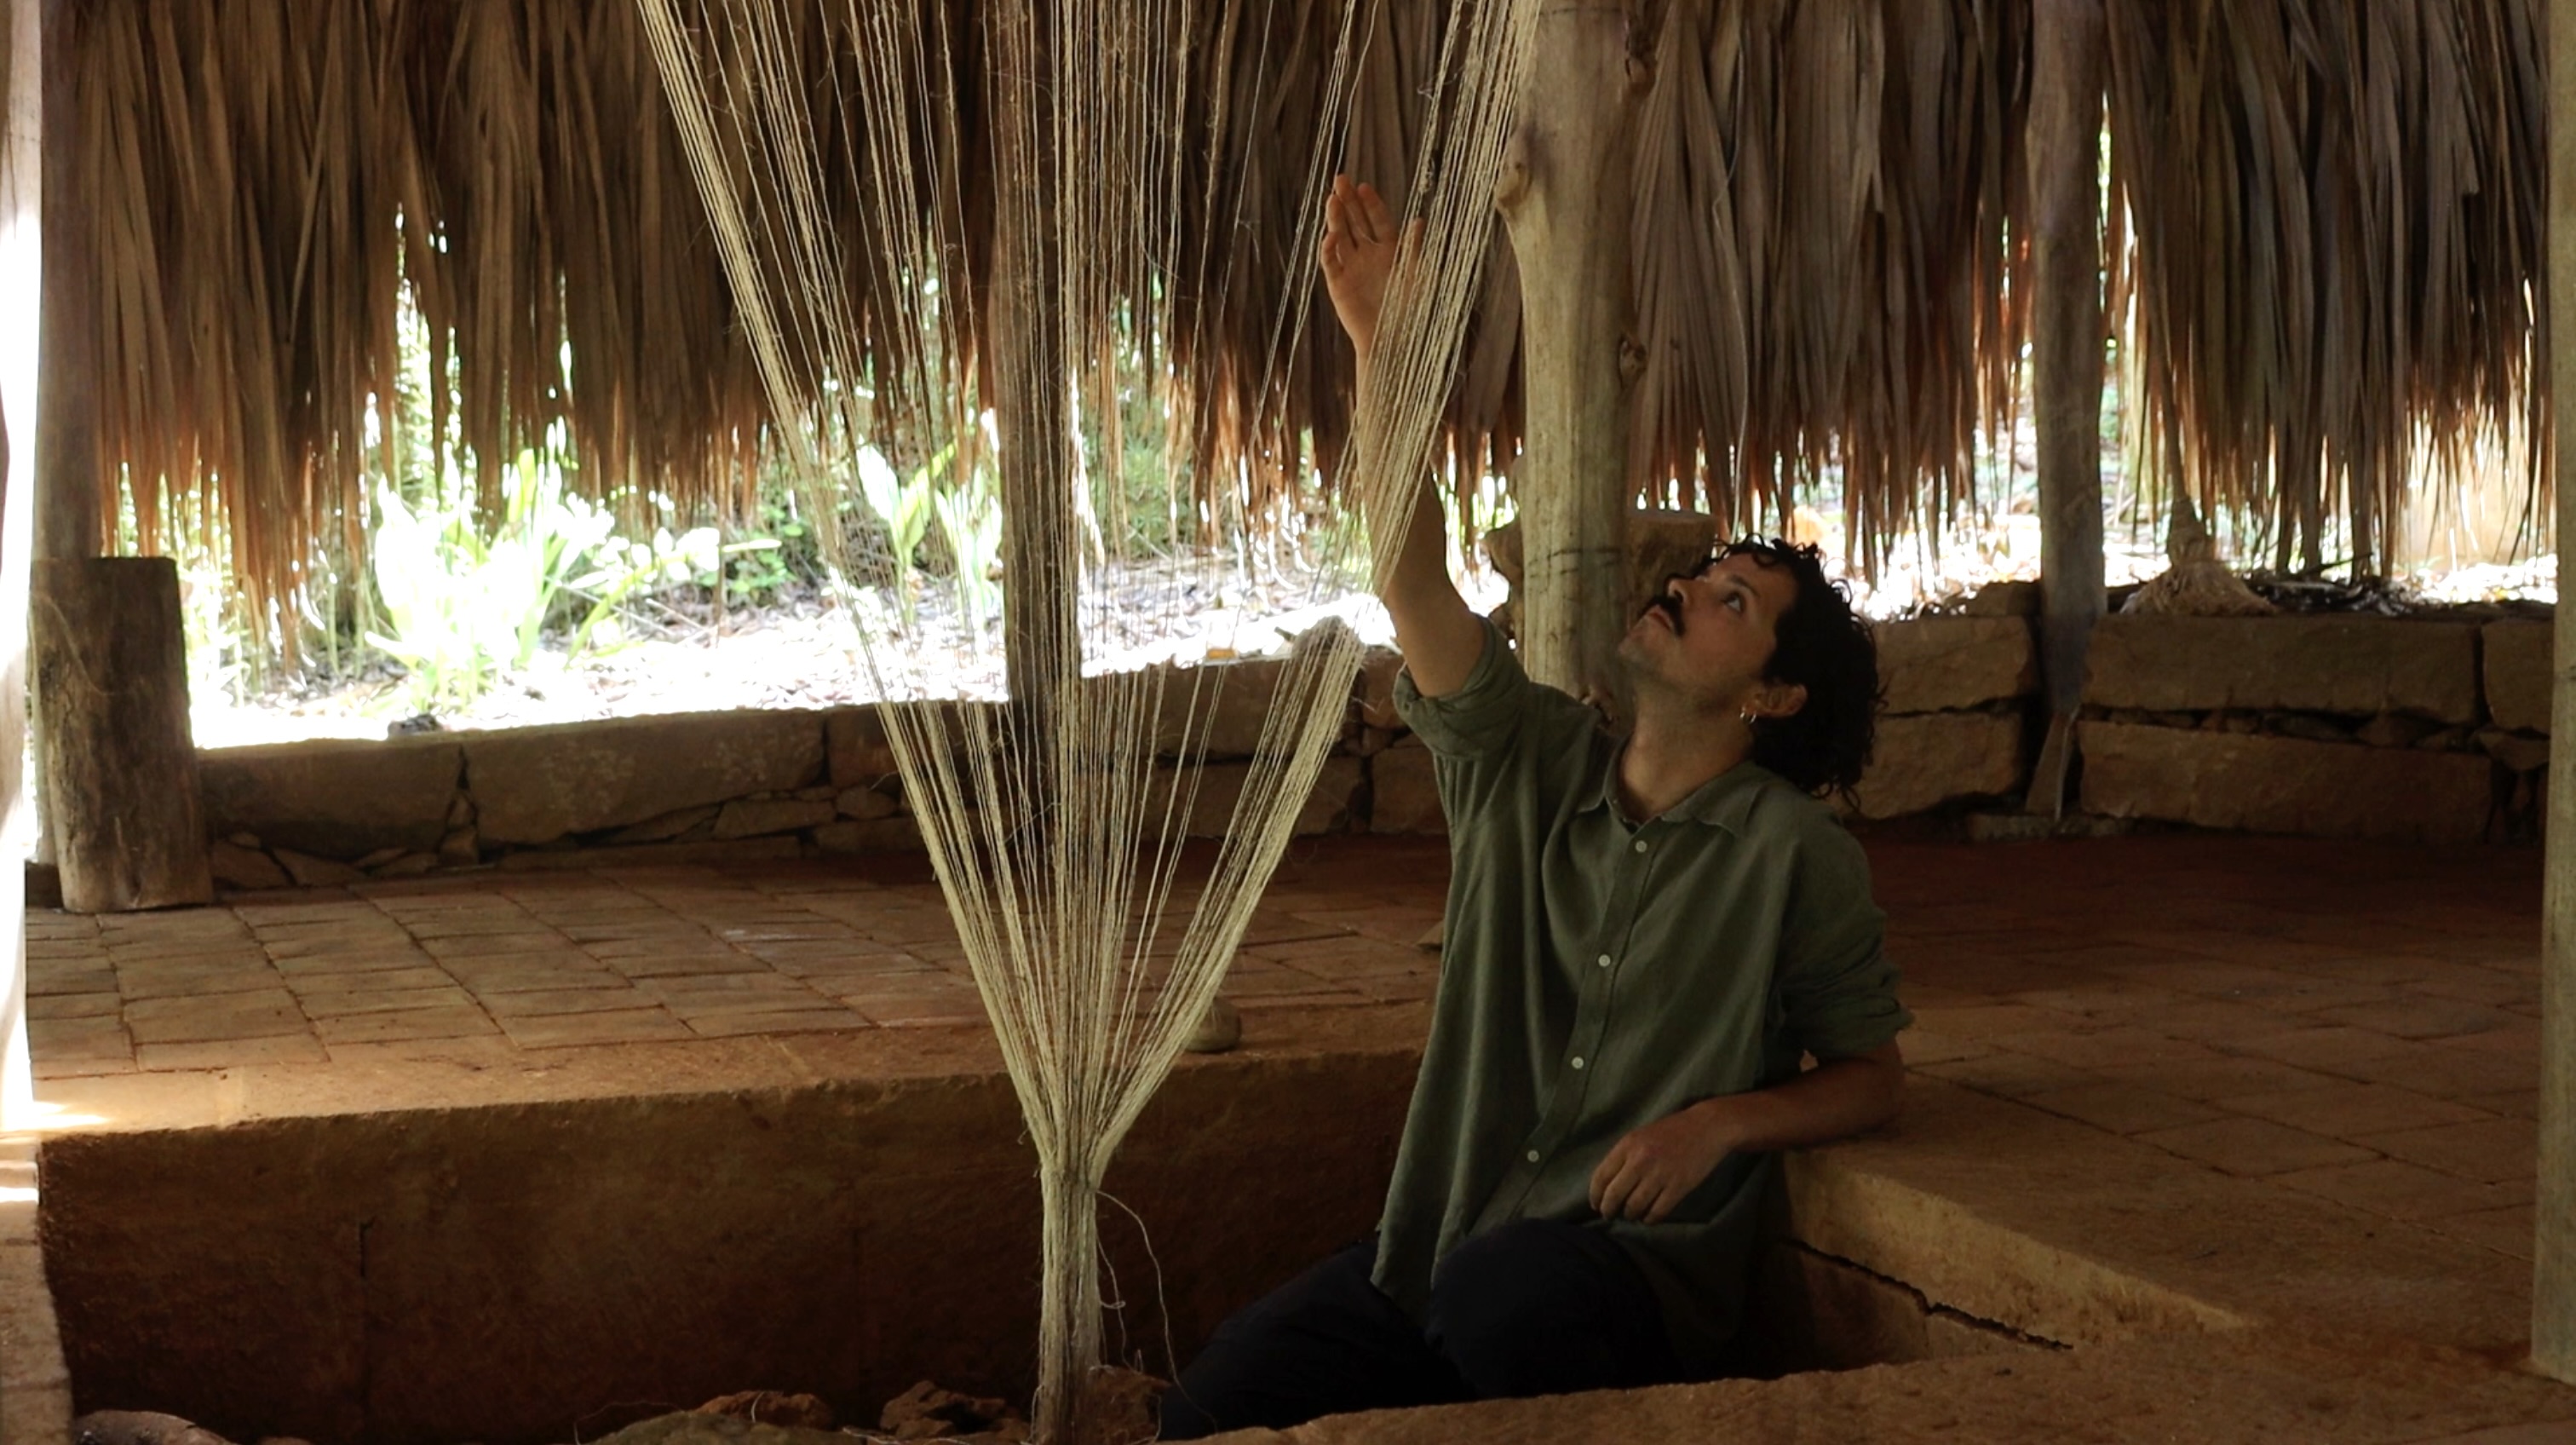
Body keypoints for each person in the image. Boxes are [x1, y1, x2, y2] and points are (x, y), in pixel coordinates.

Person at [1156, 177, 1912, 1438]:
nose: (1685, 589)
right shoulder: (1524, 759)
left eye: (1732, 601)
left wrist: (1719, 1123)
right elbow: (1407, 573)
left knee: (1507, 1304)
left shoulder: (1793, 858)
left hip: (1620, 1274)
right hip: (1437, 1251)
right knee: (1210, 1408)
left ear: (1774, 699)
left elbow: (1871, 1077)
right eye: (1700, 573)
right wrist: (1380, 351)